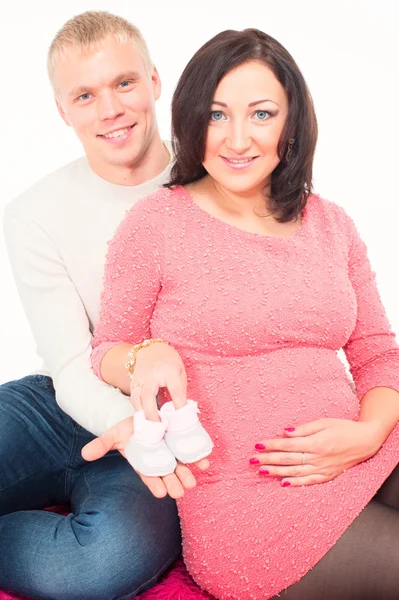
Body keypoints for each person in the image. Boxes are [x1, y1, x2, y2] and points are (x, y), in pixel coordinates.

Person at [90, 28, 399, 600]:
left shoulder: (331, 223)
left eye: (261, 114)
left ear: (291, 123)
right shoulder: (154, 225)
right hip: (256, 499)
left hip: (365, 446)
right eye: (215, 115)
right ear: (190, 119)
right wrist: (143, 354)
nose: (237, 140)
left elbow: (379, 351)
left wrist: (369, 431)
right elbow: (108, 349)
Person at [1, 10, 209, 600]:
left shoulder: (213, 184)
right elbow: (69, 366)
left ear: (154, 81)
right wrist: (120, 426)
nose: (110, 109)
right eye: (85, 95)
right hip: (58, 403)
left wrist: (147, 438)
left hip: (165, 422)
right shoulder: (32, 213)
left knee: (96, 565)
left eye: (123, 84)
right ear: (62, 111)